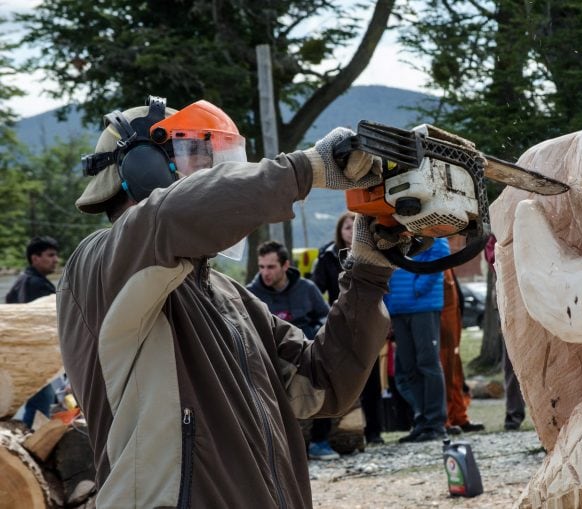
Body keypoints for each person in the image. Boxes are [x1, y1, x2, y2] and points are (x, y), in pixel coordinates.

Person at [56, 95, 401, 507]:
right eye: (197, 157)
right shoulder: (96, 267)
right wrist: (307, 169)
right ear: (143, 168)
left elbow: (323, 384)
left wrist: (367, 268)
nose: (216, 172)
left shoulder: (228, 296)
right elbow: (170, 216)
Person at [247, 240, 337, 460]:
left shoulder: (306, 288)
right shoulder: (250, 294)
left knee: (322, 375)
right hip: (269, 356)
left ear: (285, 265)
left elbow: (325, 317)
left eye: (271, 267)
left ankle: (319, 441)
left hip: (304, 350)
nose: (265, 273)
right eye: (262, 267)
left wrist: (316, 336)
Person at [312, 212, 384, 445]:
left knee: (371, 379)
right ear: (339, 231)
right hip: (339, 323)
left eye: (356, 227)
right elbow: (315, 290)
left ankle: (374, 432)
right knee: (334, 377)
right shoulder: (327, 256)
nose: (351, 231)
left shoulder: (372, 253)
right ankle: (323, 435)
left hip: (366, 320)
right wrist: (326, 315)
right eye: (347, 227)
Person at [385, 237, 450, 442]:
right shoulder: (390, 230)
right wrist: (387, 303)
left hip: (423, 305)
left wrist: (418, 288)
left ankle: (436, 422)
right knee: (409, 366)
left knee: (428, 363)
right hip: (397, 307)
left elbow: (440, 255)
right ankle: (422, 419)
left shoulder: (430, 226)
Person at [6, 236, 60, 427]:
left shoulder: (20, 281)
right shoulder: (38, 285)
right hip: (37, 358)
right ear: (35, 258)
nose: (56, 259)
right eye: (50, 255)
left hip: (19, 358)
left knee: (40, 403)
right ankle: (32, 448)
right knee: (41, 404)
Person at [484, 233, 526, 430]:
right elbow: (493, 258)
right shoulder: (496, 233)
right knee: (511, 362)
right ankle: (513, 414)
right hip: (508, 303)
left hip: (532, 297)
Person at [440, 268, 485, 435]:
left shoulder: (443, 254)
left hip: (451, 309)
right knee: (445, 367)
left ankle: (458, 415)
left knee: (453, 367)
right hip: (441, 310)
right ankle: (447, 417)